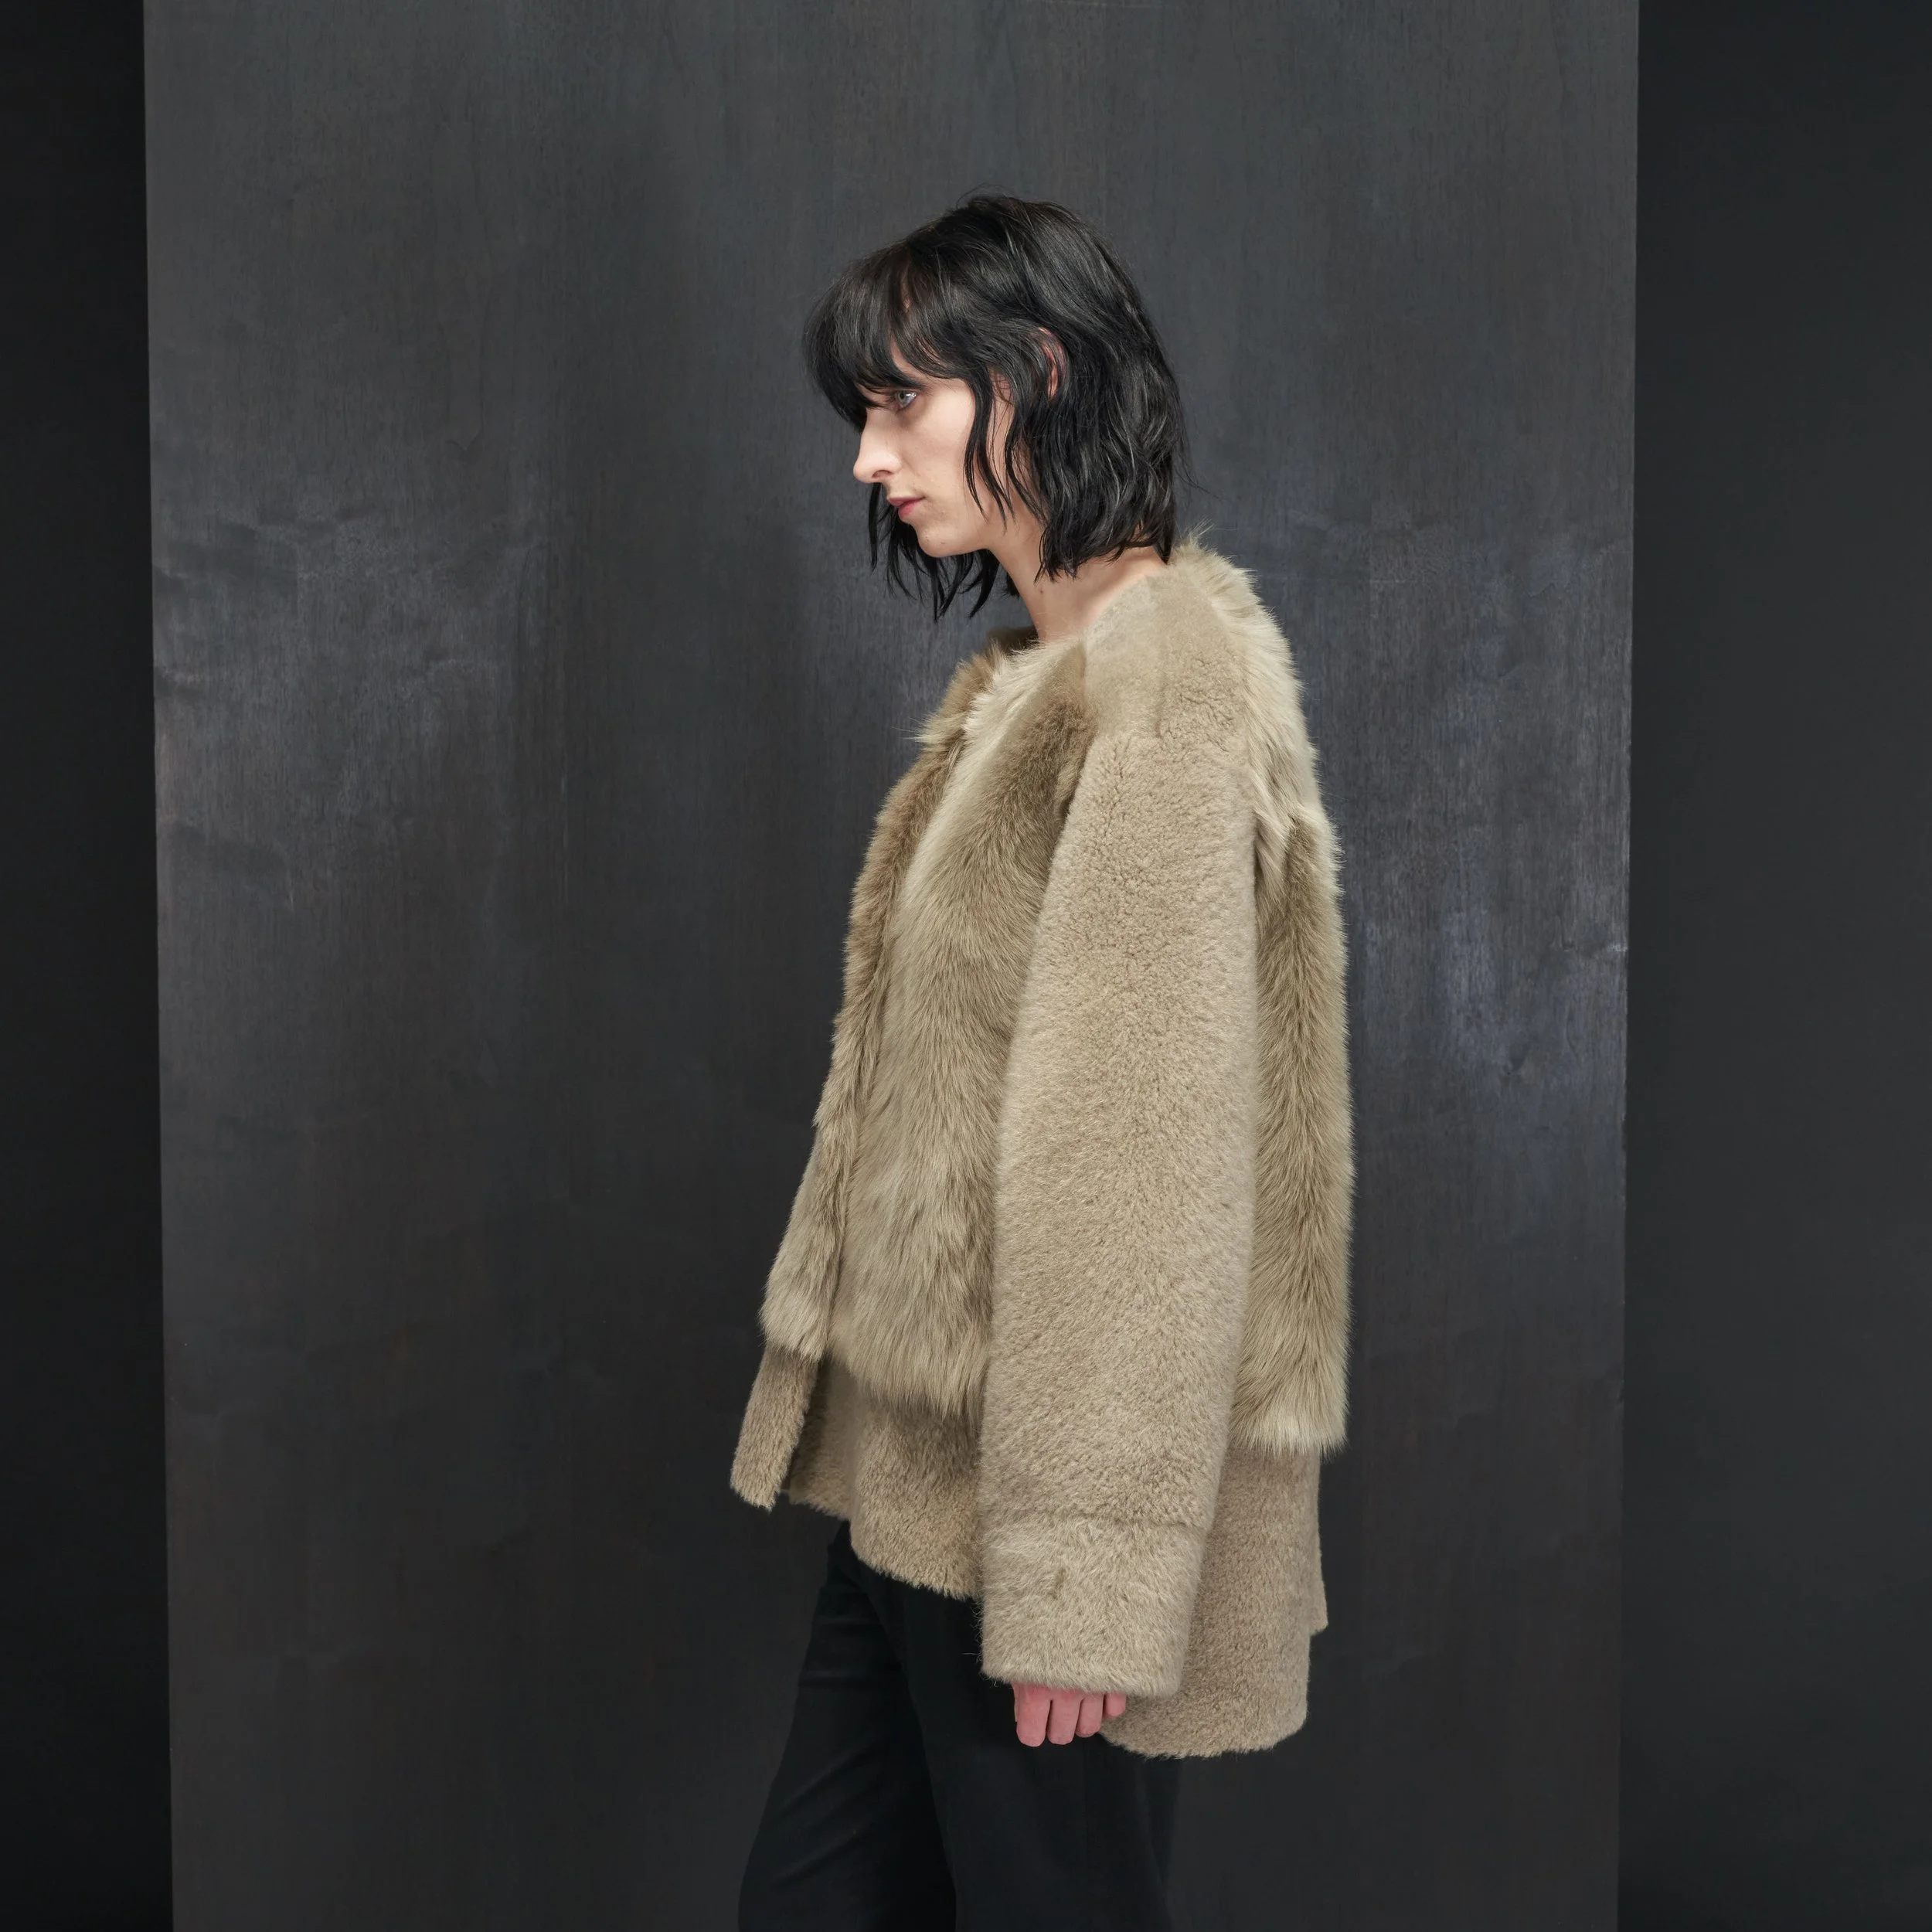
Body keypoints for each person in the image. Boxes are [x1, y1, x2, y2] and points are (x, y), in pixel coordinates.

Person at [729, 194, 1355, 1931]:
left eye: (902, 403)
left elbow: (1141, 1164)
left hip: (1039, 1530)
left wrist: (1084, 1581)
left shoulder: (1160, 690)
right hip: (919, 1498)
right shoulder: (1042, 684)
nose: (868, 458)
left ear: (1040, 375)